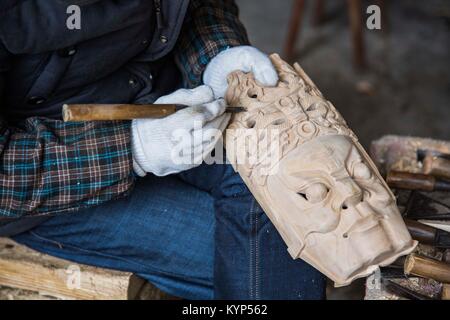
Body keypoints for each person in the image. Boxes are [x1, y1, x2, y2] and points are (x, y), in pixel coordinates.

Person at [0, 0, 325, 299]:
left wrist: (216, 55)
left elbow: (198, 5)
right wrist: (135, 148)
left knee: (301, 200)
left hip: (174, 104)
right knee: (277, 260)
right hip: (55, 181)